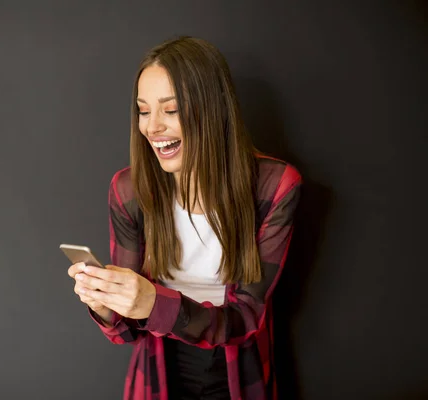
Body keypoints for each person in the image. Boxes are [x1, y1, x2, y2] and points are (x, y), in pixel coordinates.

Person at [67, 36, 302, 400]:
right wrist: (105, 303)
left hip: (239, 372)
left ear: (212, 109)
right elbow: (127, 331)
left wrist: (152, 303)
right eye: (143, 111)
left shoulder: (274, 187)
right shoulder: (129, 190)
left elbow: (246, 319)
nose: (152, 127)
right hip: (159, 369)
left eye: (170, 109)